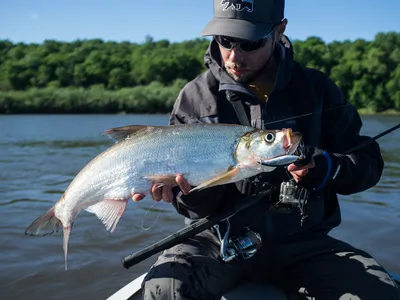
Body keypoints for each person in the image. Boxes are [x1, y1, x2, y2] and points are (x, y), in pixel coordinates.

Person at [133, 0, 400, 299]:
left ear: (279, 30)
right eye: (225, 40)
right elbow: (186, 201)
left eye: (250, 43)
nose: (234, 56)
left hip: (304, 244)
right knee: (165, 289)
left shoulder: (317, 88)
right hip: (216, 240)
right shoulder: (194, 99)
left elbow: (367, 164)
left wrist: (326, 167)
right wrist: (192, 193)